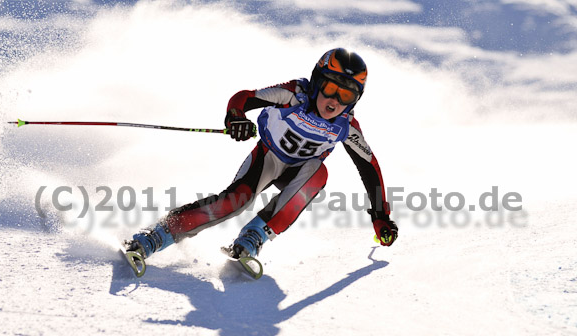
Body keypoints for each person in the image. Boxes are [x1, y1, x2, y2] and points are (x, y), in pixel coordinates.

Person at [123, 48, 398, 266]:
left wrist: (380, 215)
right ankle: (158, 234)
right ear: (316, 82)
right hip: (267, 158)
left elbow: (369, 167)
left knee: (319, 173)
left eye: (346, 94)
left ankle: (255, 235)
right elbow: (244, 98)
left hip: (299, 173)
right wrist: (236, 118)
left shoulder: (346, 126)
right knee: (234, 203)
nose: (334, 101)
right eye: (330, 88)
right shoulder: (293, 95)